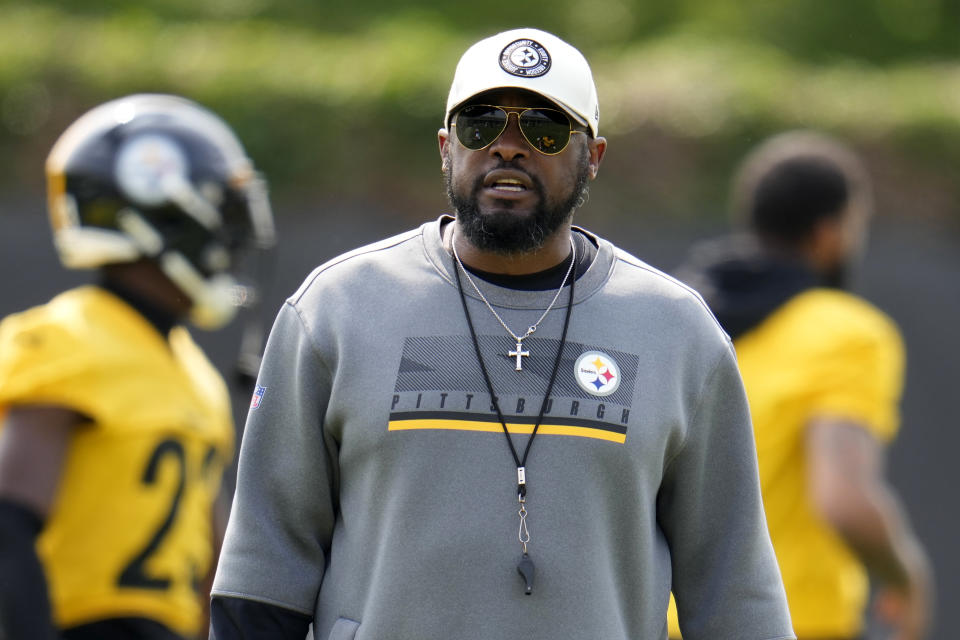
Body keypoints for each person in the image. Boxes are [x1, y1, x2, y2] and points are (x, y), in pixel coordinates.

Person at [210, 28, 794, 640]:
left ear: (592, 156)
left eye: (543, 129)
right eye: (480, 124)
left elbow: (735, 590)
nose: (508, 148)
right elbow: (263, 571)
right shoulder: (336, 309)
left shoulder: (677, 332)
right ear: (446, 148)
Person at [0, 94, 276, 640]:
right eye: (219, 213)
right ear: (168, 213)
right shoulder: (68, 338)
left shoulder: (190, 371)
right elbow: (7, 522)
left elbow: (208, 565)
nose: (229, 238)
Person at [667, 131, 934, 640]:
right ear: (830, 233)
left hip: (677, 621)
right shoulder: (847, 332)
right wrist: (908, 576)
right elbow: (844, 500)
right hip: (795, 622)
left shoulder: (685, 319)